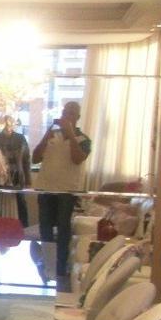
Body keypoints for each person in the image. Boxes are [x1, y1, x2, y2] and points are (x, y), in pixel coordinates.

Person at [32, 101, 92, 287]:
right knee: (45, 228)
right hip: (46, 187)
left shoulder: (83, 139)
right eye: (65, 112)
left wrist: (71, 134)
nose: (67, 115)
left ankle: (60, 268)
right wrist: (45, 136)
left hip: (67, 190)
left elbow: (77, 159)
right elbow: (35, 158)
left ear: (78, 117)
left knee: (63, 228)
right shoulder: (52, 135)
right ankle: (48, 265)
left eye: (72, 113)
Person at [0, 115, 31, 227]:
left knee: (20, 205)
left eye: (10, 122)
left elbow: (26, 160)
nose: (8, 124)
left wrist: (28, 179)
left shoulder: (20, 138)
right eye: (5, 122)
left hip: (17, 176)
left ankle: (22, 229)